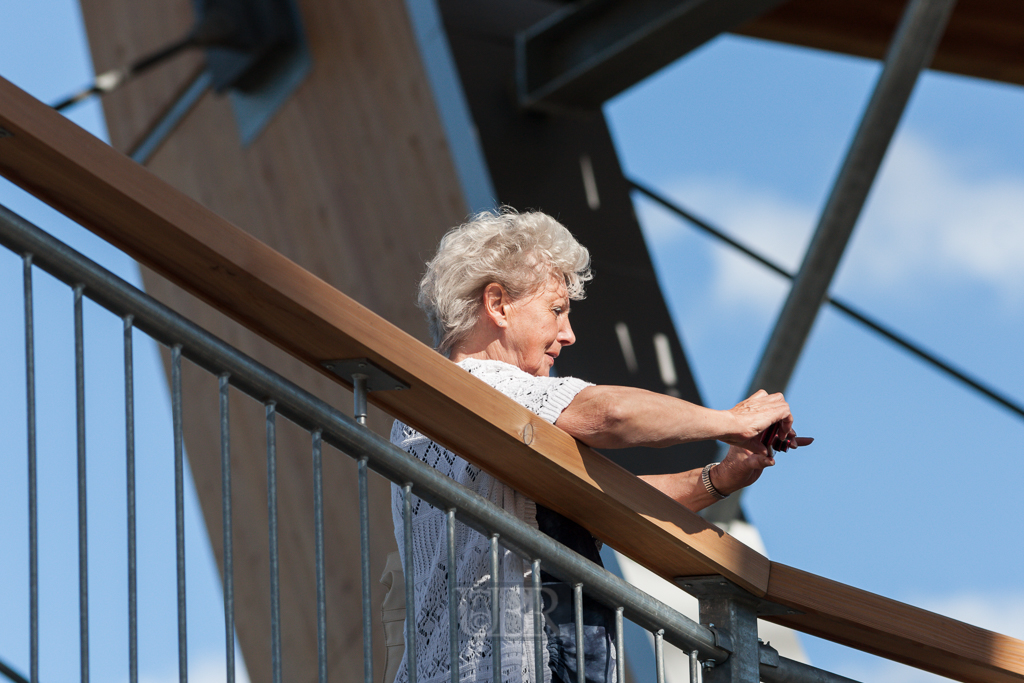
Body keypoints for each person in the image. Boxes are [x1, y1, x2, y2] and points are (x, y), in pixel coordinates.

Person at [391, 208, 804, 683]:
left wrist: (717, 478)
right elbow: (609, 413)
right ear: (498, 304)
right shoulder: (467, 385)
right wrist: (731, 422)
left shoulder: (505, 423)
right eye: (556, 309)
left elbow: (605, 505)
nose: (568, 334)